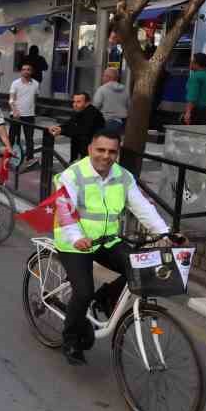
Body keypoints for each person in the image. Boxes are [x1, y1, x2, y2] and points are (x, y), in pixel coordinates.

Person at [54, 131, 170, 364]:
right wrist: (76, 236)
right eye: (101, 150)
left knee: (140, 270)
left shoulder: (122, 176)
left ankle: (106, 297)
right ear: (90, 149)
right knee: (83, 291)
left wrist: (165, 232)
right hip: (74, 243)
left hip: (107, 240)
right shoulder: (73, 174)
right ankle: (71, 338)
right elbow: (65, 210)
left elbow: (142, 207)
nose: (106, 156)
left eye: (112, 152)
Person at [49, 91, 106, 162]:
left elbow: (82, 130)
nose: (75, 104)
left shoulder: (93, 113)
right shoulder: (79, 110)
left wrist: (62, 131)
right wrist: (59, 128)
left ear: (87, 103)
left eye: (78, 102)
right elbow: (70, 123)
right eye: (74, 101)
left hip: (92, 149)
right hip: (80, 145)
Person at [8, 63, 40, 162]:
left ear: (32, 71)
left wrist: (32, 109)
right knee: (13, 137)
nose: (26, 71)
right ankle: (10, 156)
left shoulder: (36, 83)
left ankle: (30, 159)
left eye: (28, 69)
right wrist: (15, 111)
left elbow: (35, 98)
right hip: (16, 115)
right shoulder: (15, 83)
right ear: (21, 71)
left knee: (29, 138)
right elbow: (11, 100)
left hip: (29, 115)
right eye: (23, 69)